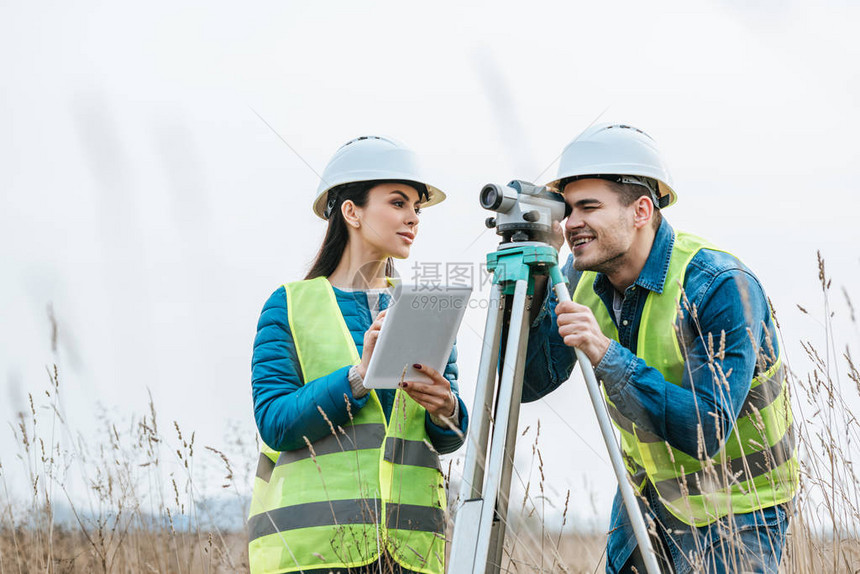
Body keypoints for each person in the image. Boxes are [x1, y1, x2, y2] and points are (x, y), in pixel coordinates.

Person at [522, 123, 797, 573]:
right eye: (567, 209)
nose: (571, 224)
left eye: (588, 207)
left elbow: (706, 430)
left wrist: (606, 354)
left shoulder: (719, 286)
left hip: (740, 506)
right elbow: (529, 385)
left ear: (641, 210)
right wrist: (532, 287)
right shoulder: (577, 277)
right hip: (649, 496)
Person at [248, 136, 469, 574]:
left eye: (417, 209)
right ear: (351, 211)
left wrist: (447, 408)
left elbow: (447, 438)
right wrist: (358, 376)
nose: (413, 218)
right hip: (314, 551)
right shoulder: (289, 304)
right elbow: (274, 422)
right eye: (398, 203)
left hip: (410, 550)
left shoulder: (424, 308)